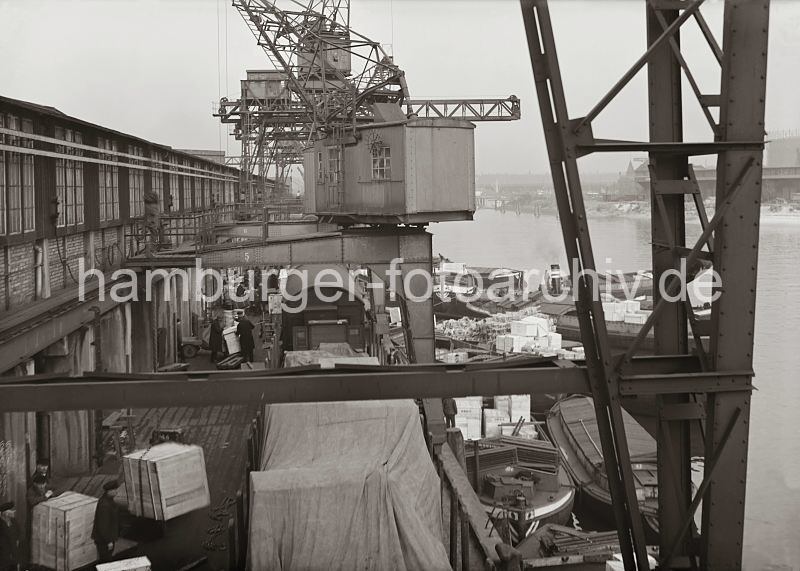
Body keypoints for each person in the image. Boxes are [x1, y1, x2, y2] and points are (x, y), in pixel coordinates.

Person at [92, 480, 120, 563]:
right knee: (106, 561)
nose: (116, 492)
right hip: (104, 541)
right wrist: (109, 541)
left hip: (105, 539)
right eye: (114, 490)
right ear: (109, 491)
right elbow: (103, 526)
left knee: (106, 560)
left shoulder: (107, 500)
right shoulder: (105, 505)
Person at [0, 501, 22, 571]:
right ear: (5, 513)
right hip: (3, 555)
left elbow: (19, 532)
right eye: (11, 510)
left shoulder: (14, 521)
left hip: (14, 553)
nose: (14, 511)